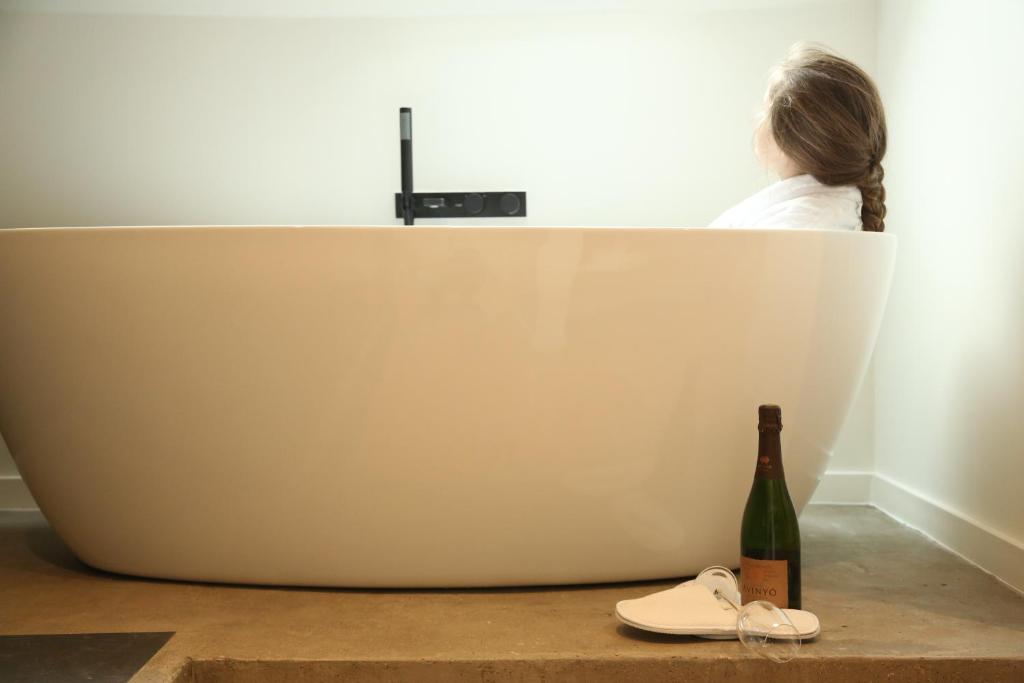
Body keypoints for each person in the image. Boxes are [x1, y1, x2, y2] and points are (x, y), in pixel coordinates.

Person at [710, 44, 887, 232]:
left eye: (765, 109)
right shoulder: (822, 214)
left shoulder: (801, 225)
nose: (755, 118)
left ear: (790, 136)